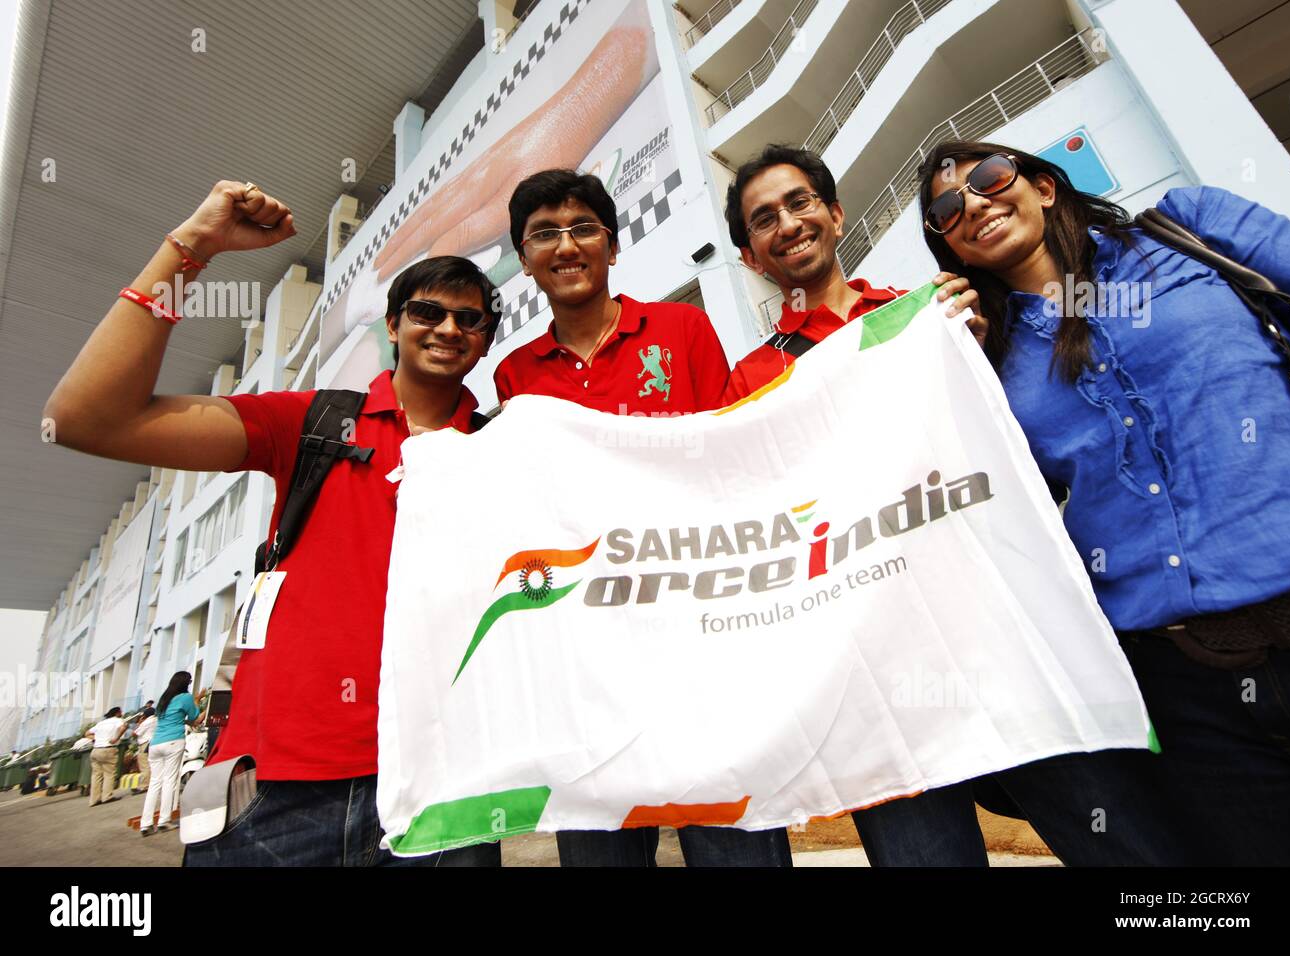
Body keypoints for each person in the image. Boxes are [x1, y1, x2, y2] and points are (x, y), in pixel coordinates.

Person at [721, 143, 1188, 866]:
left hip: (1000, 635)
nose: (786, 223)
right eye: (763, 220)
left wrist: (970, 357)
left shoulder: (943, 309)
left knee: (1130, 846)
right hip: (879, 678)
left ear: (835, 214)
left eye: (799, 202)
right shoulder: (749, 381)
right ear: (752, 257)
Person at [44, 180, 502, 866]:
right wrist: (192, 247)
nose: (448, 328)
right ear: (393, 324)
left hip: (444, 788)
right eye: (428, 310)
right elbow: (86, 419)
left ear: (488, 340)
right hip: (276, 796)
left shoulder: (502, 450)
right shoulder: (313, 423)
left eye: (470, 320)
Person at [916, 139, 1290, 865]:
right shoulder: (985, 358)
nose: (972, 204)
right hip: (1187, 685)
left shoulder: (1190, 226)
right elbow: (993, 515)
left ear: (1045, 188)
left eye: (990, 178)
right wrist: (952, 374)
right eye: (945, 210)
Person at [493, 168, 790, 867]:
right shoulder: (514, 375)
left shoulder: (682, 329)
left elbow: (730, 462)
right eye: (544, 235)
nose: (566, 246)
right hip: (587, 675)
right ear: (526, 258)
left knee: (737, 854)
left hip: (701, 654)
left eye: (583, 229)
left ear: (612, 247)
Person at [140, 672, 198, 835]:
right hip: (173, 741)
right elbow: (195, 718)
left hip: (155, 744)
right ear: (187, 682)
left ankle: (146, 824)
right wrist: (197, 700)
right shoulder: (186, 697)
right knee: (169, 781)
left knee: (155, 783)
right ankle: (164, 821)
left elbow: (168, 718)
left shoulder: (164, 699)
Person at [86, 707, 126, 806]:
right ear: (117, 713)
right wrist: (116, 738)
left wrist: (96, 739)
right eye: (121, 712)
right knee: (109, 773)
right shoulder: (118, 720)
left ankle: (94, 800)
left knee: (96, 775)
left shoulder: (101, 723)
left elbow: (87, 733)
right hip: (108, 749)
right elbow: (123, 727)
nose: (122, 713)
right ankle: (107, 796)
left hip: (95, 750)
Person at [131, 704, 157, 794]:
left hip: (145, 744)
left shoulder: (146, 722)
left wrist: (139, 723)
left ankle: (144, 785)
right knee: (152, 765)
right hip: (154, 743)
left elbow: (134, 734)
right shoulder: (157, 720)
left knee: (144, 765)